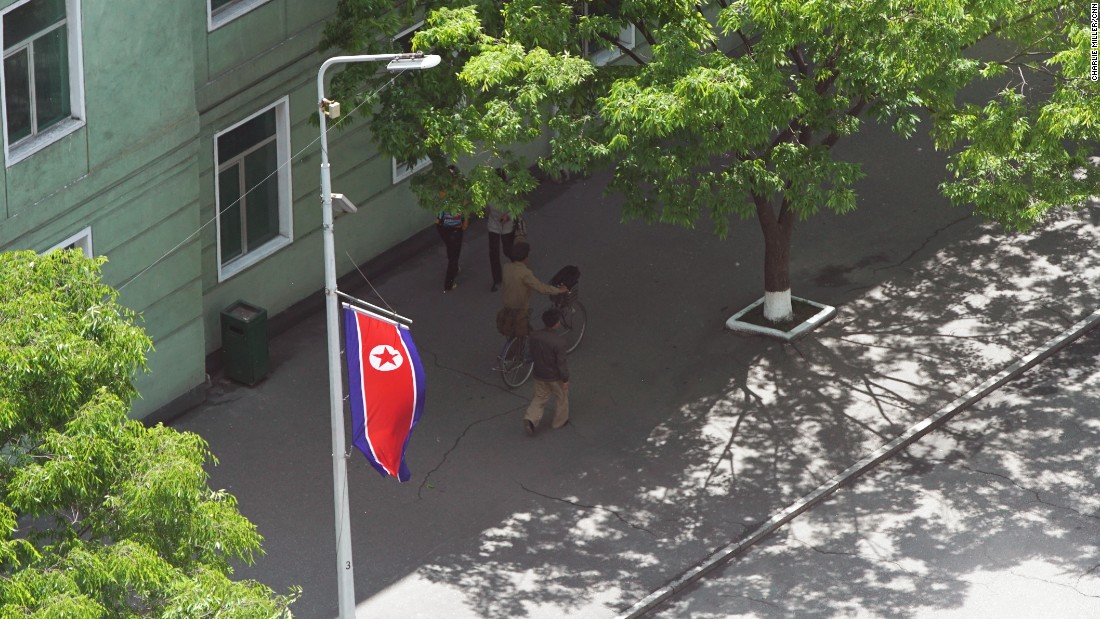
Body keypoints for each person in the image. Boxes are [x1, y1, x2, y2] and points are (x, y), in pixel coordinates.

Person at [497, 241, 566, 338]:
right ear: (525, 258)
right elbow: (541, 288)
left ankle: (517, 347)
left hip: (507, 307)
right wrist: (558, 290)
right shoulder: (525, 273)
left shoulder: (506, 267)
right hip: (520, 309)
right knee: (527, 333)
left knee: (519, 332)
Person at [524, 308, 570, 435]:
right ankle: (559, 422)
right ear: (556, 323)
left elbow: (530, 353)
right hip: (554, 376)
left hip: (539, 373)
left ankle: (530, 419)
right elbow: (561, 363)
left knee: (540, 396)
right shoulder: (559, 342)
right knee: (561, 396)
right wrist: (565, 379)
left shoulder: (534, 336)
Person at [486, 204, 515, 292]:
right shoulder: (487, 191)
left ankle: (520, 269)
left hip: (507, 225)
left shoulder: (510, 190)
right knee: (493, 253)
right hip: (493, 224)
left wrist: (508, 216)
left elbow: (517, 207)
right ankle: (497, 280)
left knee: (508, 250)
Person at [436, 210, 467, 292]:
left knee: (451, 249)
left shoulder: (444, 200)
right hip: (455, 229)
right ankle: (448, 284)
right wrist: (464, 222)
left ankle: (455, 269)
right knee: (454, 255)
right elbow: (465, 212)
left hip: (443, 228)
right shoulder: (460, 199)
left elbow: (438, 219)